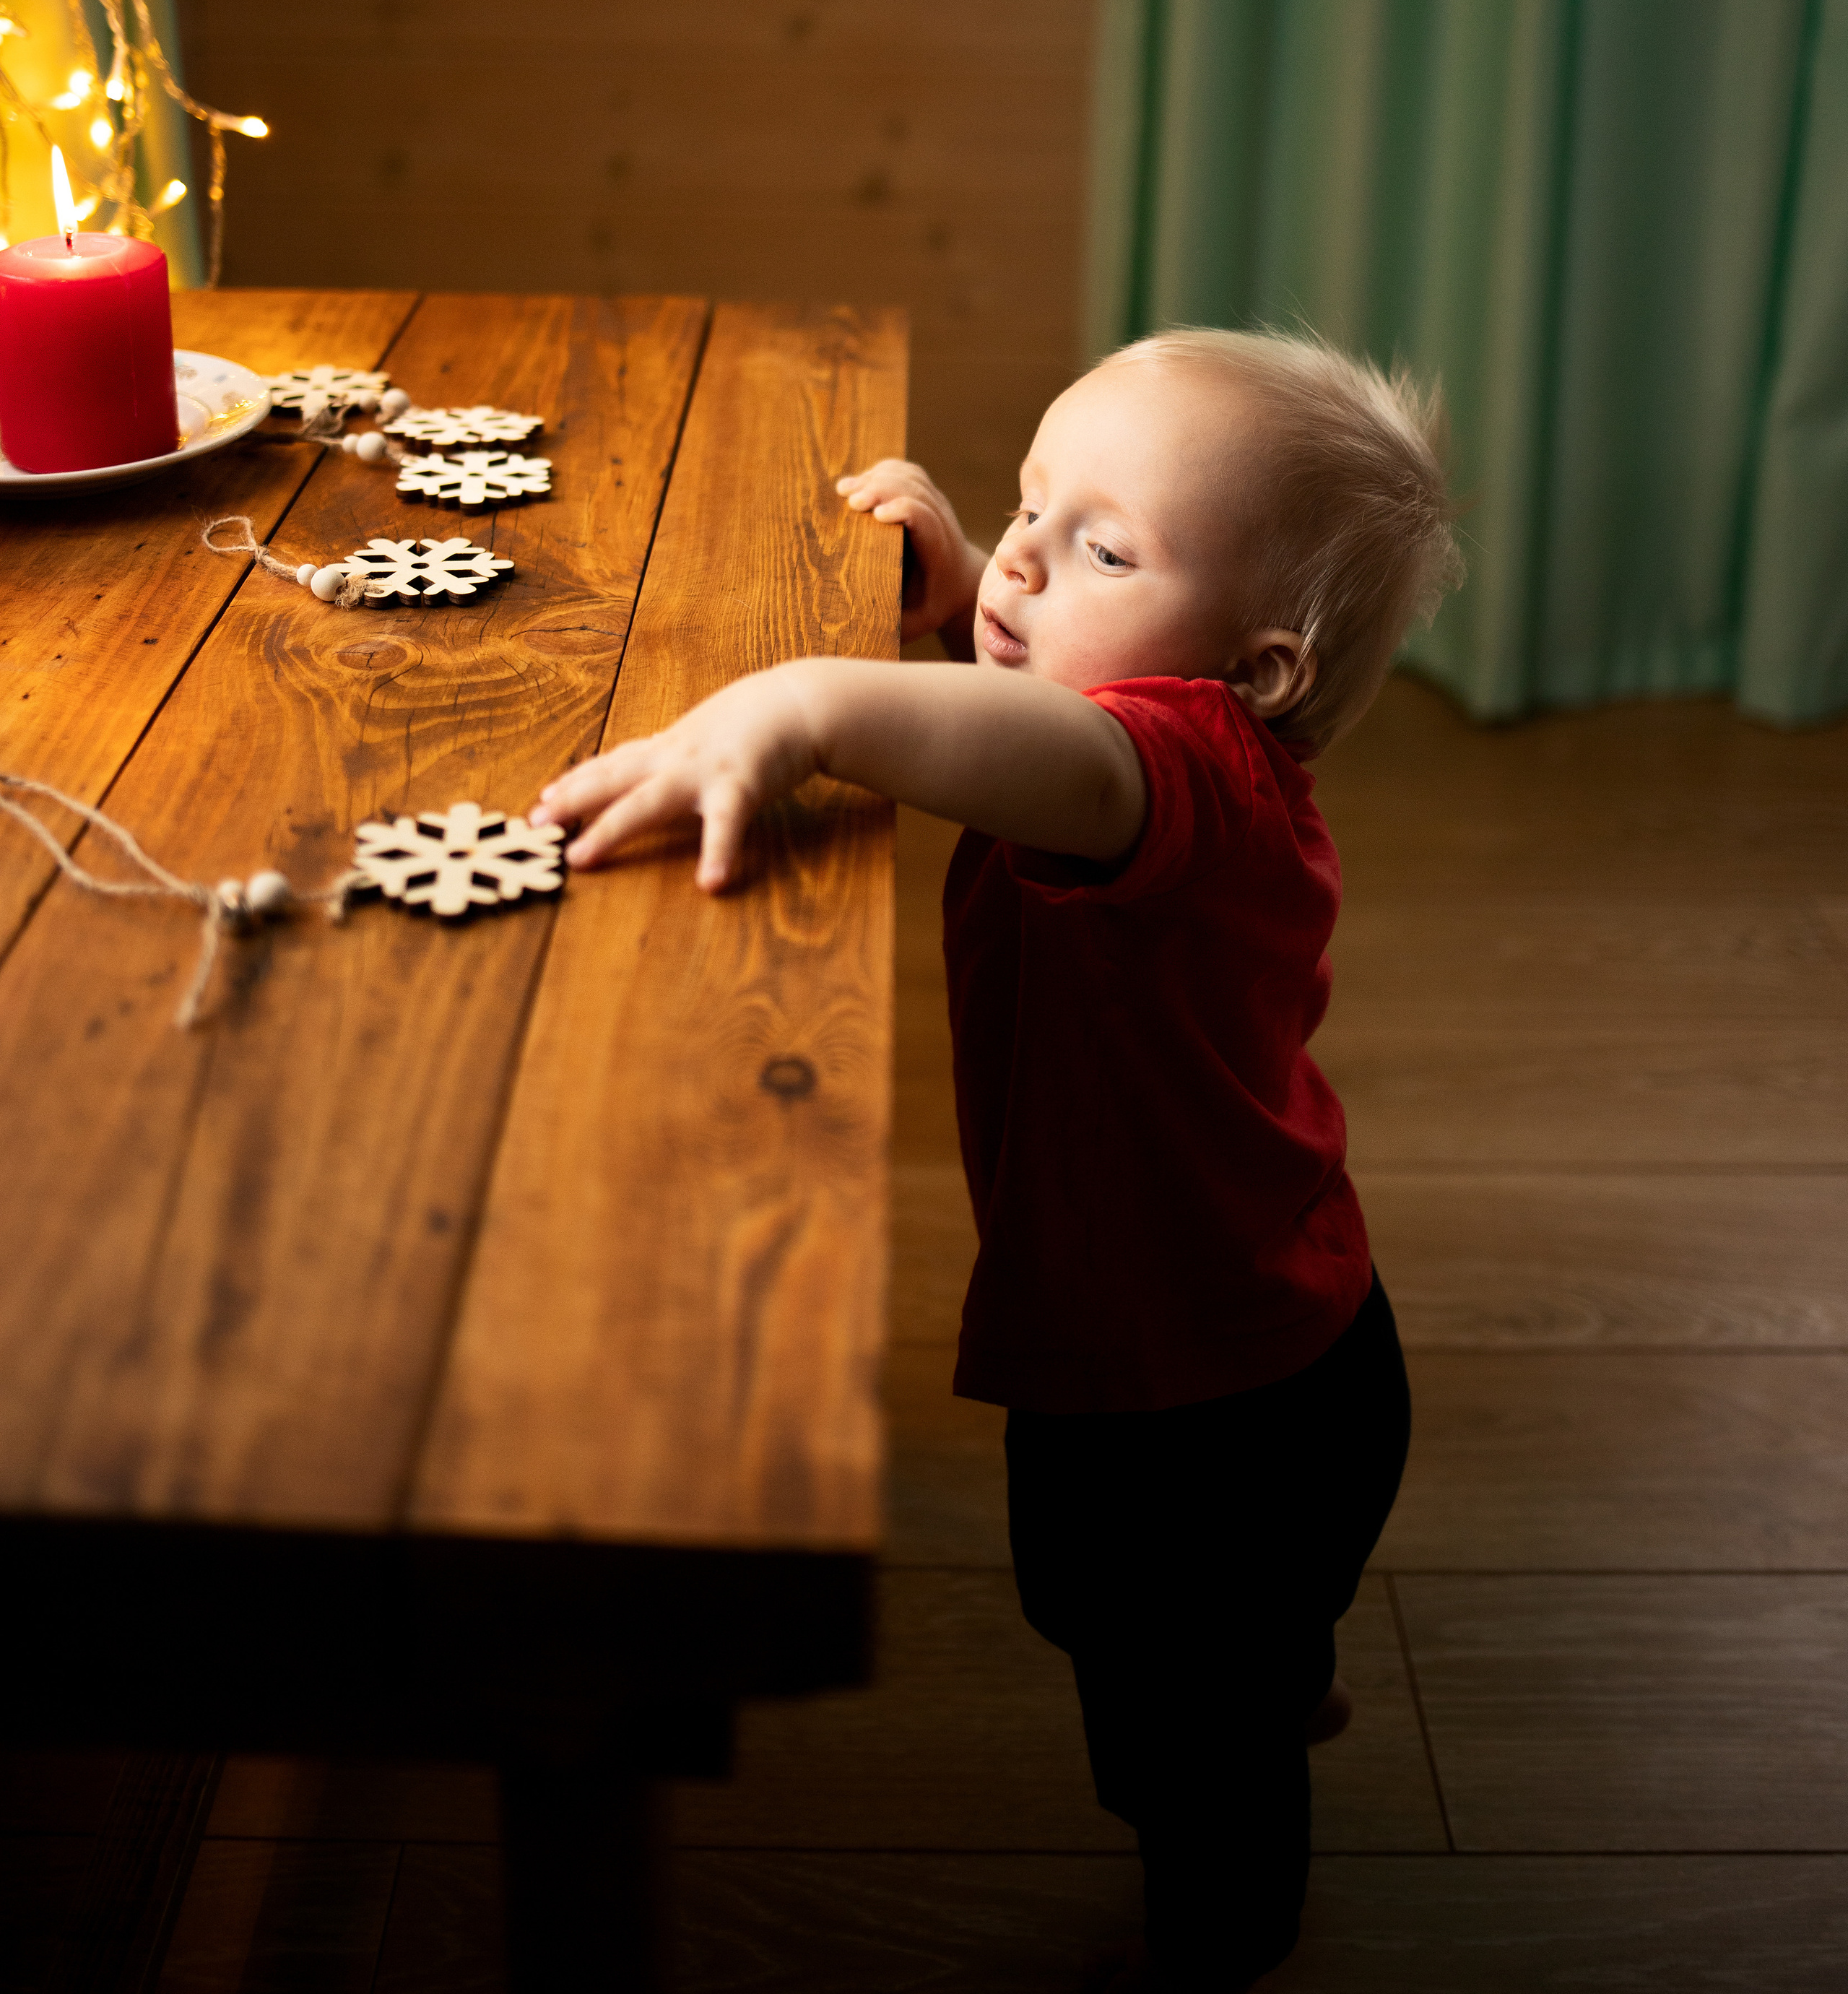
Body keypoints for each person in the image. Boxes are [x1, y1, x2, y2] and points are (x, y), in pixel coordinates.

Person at [534, 325, 1462, 1990]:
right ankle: (1277, 1657)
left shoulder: (1172, 768)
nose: (1027, 551)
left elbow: (1028, 751)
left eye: (1100, 547)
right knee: (1187, 1623)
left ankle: (1230, 1907)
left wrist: (800, 704)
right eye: (1035, 499)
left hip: (1204, 1400)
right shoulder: (1160, 743)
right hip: (1285, 1318)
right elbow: (1024, 720)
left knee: (1161, 1700)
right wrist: (976, 580)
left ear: (1247, 674)